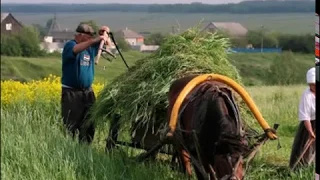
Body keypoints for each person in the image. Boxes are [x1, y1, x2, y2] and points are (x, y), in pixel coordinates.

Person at [61, 23, 111, 144]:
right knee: (71, 125)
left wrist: (105, 34)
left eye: (91, 37)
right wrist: (94, 40)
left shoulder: (90, 47)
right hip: (72, 93)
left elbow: (107, 44)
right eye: (88, 37)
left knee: (89, 124)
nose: (90, 39)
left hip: (87, 93)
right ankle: (70, 150)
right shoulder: (70, 45)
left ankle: (86, 149)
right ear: (80, 35)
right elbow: (76, 50)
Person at [289, 67, 316, 170]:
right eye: (311, 85)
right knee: (306, 148)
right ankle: (301, 169)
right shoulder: (307, 96)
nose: (313, 87)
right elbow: (306, 117)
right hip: (309, 125)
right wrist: (310, 132)